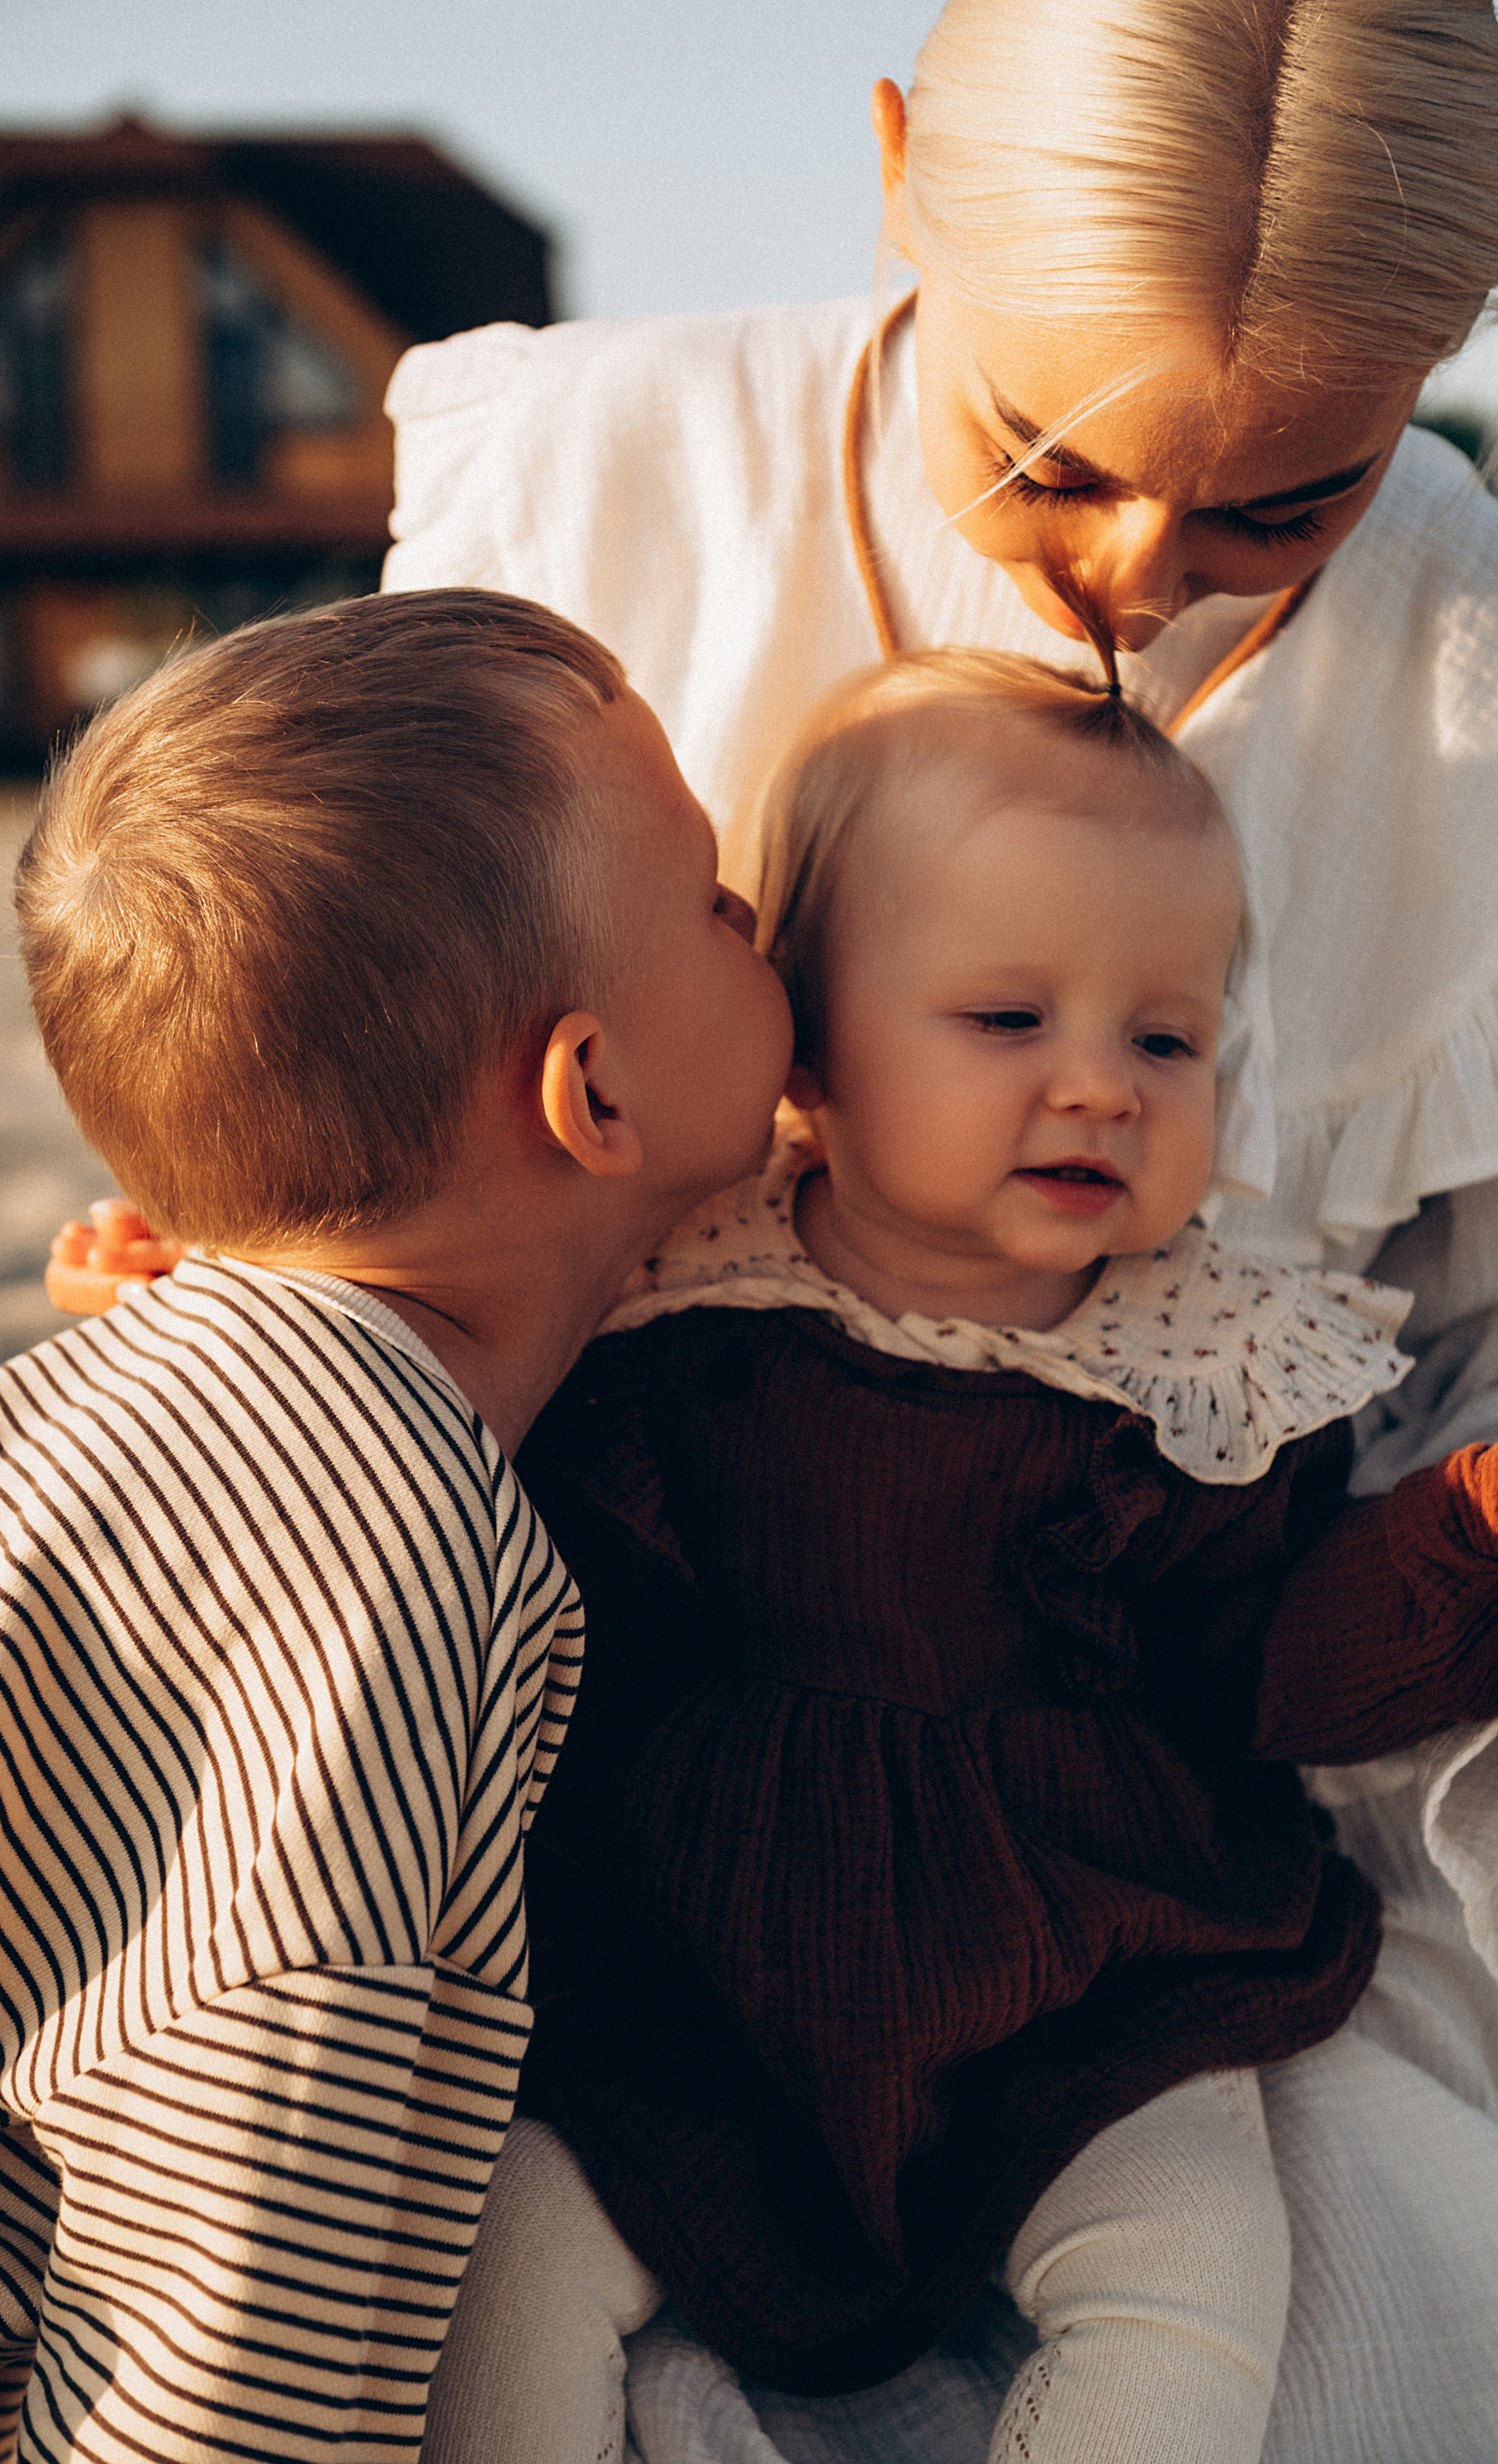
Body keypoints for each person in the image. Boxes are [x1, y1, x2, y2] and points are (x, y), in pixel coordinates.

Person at [420, 647, 1498, 2464]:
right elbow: (467, 1415)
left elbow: (1271, 1661)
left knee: (1197, 2254)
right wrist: (240, 1271)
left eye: (1166, 1038)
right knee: (510, 2243)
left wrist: (1480, 1529)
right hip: (693, 1949)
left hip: (1087, 1962)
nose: (1100, 1089)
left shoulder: (1200, 1366)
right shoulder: (673, 1282)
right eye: (1006, 1019)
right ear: (809, 1045)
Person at [0, 587, 792, 2461]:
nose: (759, 914)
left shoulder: (138, 1389)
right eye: (710, 900)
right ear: (593, 1092)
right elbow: (254, 2138)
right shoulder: (380, 1564)